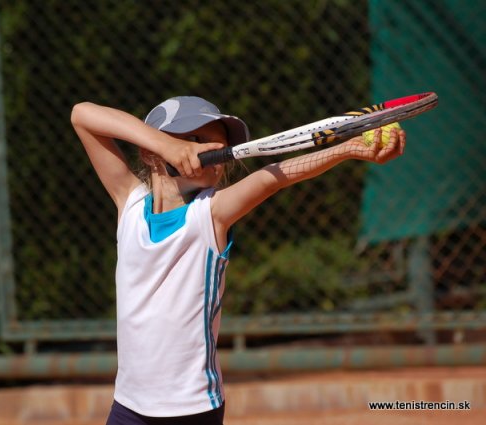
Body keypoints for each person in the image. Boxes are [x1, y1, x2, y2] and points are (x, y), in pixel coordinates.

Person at [70, 96, 406, 424]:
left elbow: (276, 175)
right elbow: (82, 115)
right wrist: (166, 144)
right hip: (129, 405)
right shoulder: (129, 204)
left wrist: (346, 149)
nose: (212, 154)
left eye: (218, 147)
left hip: (190, 409)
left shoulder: (209, 214)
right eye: (197, 140)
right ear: (150, 151)